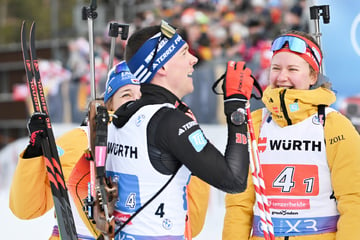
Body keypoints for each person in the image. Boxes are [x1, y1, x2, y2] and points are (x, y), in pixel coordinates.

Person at [9, 60, 210, 239]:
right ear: (108, 103)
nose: (135, 102)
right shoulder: (80, 138)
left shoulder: (165, 144)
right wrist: (35, 152)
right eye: (126, 94)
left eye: (143, 96)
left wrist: (193, 156)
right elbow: (26, 209)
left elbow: (191, 224)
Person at [106, 20, 253, 239]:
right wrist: (236, 108)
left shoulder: (122, 113)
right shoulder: (167, 120)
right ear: (162, 67)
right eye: (184, 53)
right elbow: (234, 180)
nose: (194, 60)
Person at [222, 30, 360, 240]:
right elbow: (239, 203)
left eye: (293, 69)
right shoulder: (255, 123)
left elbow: (354, 200)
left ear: (313, 75)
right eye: (276, 68)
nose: (282, 76)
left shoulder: (333, 125)